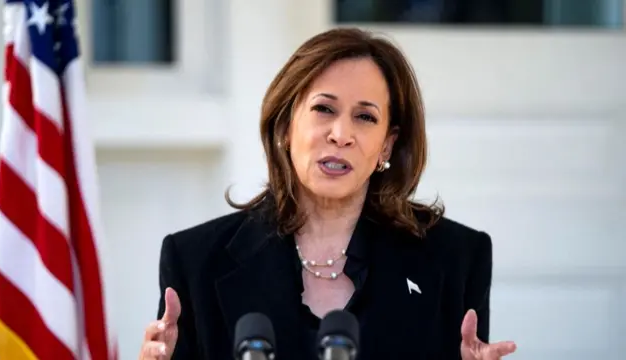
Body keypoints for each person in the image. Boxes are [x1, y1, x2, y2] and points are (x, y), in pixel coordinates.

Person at [138, 27, 517, 359]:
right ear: (286, 126)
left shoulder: (456, 258)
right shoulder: (196, 261)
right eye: (324, 109)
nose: (341, 134)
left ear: (387, 145)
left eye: (365, 117)